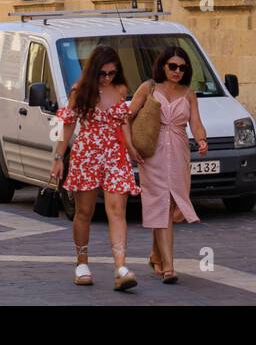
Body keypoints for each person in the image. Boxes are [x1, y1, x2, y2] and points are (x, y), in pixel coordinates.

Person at [51, 45, 141, 291]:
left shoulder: (121, 89)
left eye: (112, 73)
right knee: (84, 212)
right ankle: (82, 263)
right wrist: (59, 158)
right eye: (103, 73)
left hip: (115, 154)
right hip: (87, 153)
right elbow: (66, 124)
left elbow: (123, 123)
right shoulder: (80, 91)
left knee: (117, 210)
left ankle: (121, 268)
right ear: (93, 71)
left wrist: (131, 148)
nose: (107, 78)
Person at [129, 47, 208, 285]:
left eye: (182, 68)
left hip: (179, 151)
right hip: (153, 152)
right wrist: (129, 147)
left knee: (173, 205)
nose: (177, 71)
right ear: (163, 65)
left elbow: (196, 123)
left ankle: (156, 255)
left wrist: (202, 140)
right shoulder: (149, 87)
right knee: (160, 202)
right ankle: (169, 267)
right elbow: (128, 114)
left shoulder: (189, 93)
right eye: (173, 66)